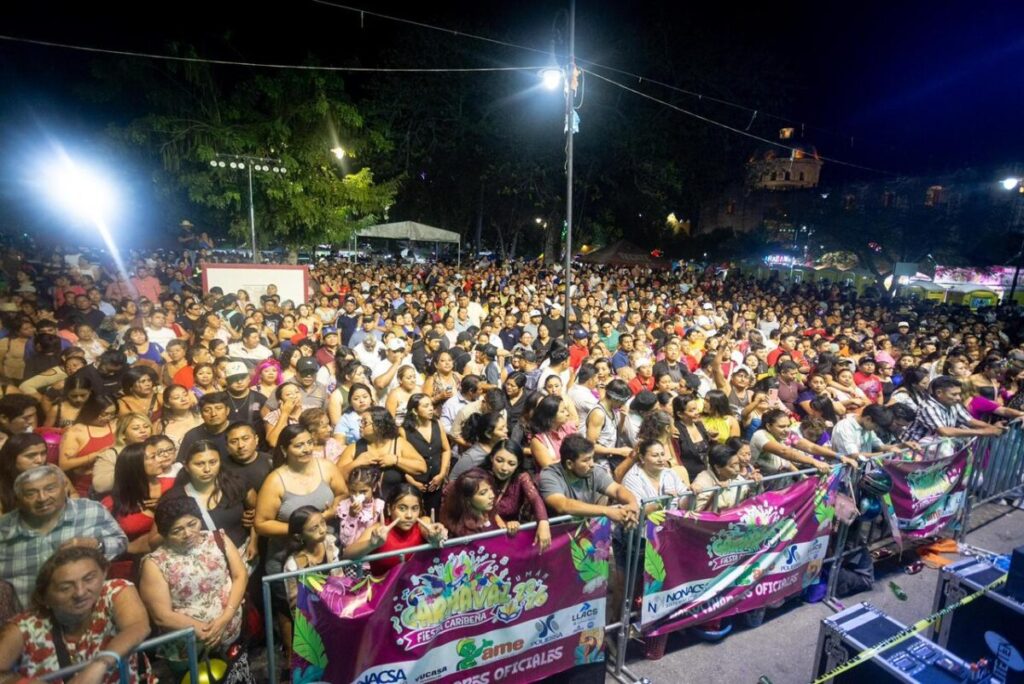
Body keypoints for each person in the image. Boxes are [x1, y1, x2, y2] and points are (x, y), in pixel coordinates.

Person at [0, 545, 152, 684]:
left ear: (104, 573)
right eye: (65, 588)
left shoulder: (114, 591)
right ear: (44, 597)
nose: (80, 592)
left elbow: (137, 627)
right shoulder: (24, 627)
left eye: (89, 579)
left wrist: (99, 664)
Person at [254, 425, 347, 641]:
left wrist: (332, 509)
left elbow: (342, 494)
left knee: (330, 609)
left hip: (326, 554)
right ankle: (293, 663)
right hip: (287, 559)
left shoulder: (326, 467)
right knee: (294, 615)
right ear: (285, 450)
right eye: (298, 445)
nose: (306, 449)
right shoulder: (276, 480)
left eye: (308, 443)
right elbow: (261, 523)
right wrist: (302, 529)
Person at [138, 497, 249, 677]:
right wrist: (205, 631)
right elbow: (161, 615)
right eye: (177, 530)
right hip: (187, 645)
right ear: (165, 533)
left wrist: (226, 617)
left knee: (235, 675)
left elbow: (240, 575)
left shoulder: (217, 538)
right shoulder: (155, 563)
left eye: (192, 524)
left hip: (229, 630)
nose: (188, 533)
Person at [0, 464, 128, 606]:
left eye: (50, 489)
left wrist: (96, 544)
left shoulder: (91, 510)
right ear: (18, 499)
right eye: (31, 493)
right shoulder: (4, 528)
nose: (42, 498)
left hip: (89, 616)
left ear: (65, 487)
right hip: (27, 621)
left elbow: (121, 543)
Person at [168, 440, 257, 560]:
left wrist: (254, 542)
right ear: (186, 466)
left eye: (213, 462)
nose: (207, 469)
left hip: (243, 554)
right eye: (199, 464)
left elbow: (258, 513)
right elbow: (156, 539)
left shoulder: (236, 484)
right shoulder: (174, 498)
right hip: (201, 563)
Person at [101, 443, 173, 579]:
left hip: (172, 558)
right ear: (134, 465)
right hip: (130, 567)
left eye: (157, 455)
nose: (160, 460)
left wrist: (165, 509)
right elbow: (101, 541)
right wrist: (128, 547)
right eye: (152, 457)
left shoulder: (172, 486)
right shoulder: (114, 501)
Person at [345, 484, 448, 578]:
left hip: (416, 591)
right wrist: (371, 544)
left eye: (414, 508)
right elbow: (347, 554)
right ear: (389, 509)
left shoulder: (423, 523)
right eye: (402, 508)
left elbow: (430, 531)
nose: (409, 515)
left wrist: (436, 535)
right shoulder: (378, 530)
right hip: (383, 593)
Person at [337, 406, 427, 498]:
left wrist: (396, 460)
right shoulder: (354, 448)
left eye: (365, 422)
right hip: (362, 507)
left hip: (394, 505)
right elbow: (336, 476)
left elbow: (422, 467)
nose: (360, 425)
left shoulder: (399, 444)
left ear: (378, 425)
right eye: (360, 422)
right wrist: (357, 462)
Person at [476, 440, 551, 550]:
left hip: (507, 539)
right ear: (492, 458)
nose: (504, 468)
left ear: (518, 464)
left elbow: (535, 499)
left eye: (511, 464)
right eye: (499, 460)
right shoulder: (478, 476)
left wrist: (544, 523)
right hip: (480, 537)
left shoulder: (521, 477)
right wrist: (497, 519)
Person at [902, 376, 1007, 442]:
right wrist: (984, 432)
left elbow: (970, 421)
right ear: (939, 393)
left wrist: (992, 428)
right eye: (954, 394)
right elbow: (944, 431)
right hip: (911, 453)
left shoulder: (953, 404)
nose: (958, 398)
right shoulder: (928, 407)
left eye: (959, 394)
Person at [282, 505, 344, 608]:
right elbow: (295, 603)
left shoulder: (330, 544)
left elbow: (340, 579)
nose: (322, 530)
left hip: (337, 606)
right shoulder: (293, 565)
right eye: (314, 528)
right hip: (313, 615)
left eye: (323, 522)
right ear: (299, 536)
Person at [400, 393, 450, 517]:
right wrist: (412, 481)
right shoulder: (404, 431)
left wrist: (442, 474)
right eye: (426, 406)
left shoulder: (437, 424)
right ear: (414, 411)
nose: (431, 408)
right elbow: (401, 460)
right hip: (415, 483)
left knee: (435, 516)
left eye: (431, 405)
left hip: (436, 481)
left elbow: (446, 450)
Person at [58, 395, 118, 496]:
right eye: (104, 414)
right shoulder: (76, 431)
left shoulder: (116, 424)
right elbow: (64, 465)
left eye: (112, 414)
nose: (108, 418)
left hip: (116, 482)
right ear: (91, 411)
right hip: (87, 487)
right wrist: (96, 455)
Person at [92, 413, 154, 495]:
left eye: (146, 427)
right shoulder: (111, 454)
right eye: (136, 428)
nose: (143, 431)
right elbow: (100, 486)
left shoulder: (157, 449)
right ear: (123, 434)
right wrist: (132, 467)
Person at [620, 438, 689, 510]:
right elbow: (636, 512)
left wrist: (692, 496)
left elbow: (683, 504)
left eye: (662, 454)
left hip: (673, 520)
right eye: (655, 455)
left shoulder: (670, 474)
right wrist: (661, 502)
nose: (661, 459)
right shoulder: (632, 479)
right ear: (642, 458)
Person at [692, 443, 755, 512]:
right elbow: (700, 515)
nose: (737, 469)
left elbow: (748, 503)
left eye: (738, 463)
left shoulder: (737, 477)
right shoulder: (702, 481)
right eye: (732, 466)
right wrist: (716, 494)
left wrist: (754, 485)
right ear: (717, 468)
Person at [449, 411, 509, 480]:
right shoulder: (471, 457)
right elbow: (452, 480)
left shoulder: (501, 449)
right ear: (488, 434)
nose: (506, 430)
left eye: (505, 426)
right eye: (501, 429)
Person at [831, 405, 903, 458]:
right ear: (868, 419)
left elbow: (880, 446)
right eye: (876, 426)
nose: (876, 430)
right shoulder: (845, 427)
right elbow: (853, 455)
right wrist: (885, 453)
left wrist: (903, 445)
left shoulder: (866, 426)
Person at [176, 392, 232, 461]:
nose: (213, 414)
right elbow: (181, 464)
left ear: (227, 410)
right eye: (207, 410)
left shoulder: (240, 430)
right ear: (201, 414)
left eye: (218, 408)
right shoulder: (192, 436)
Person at [529, 394, 579, 470]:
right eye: (562, 411)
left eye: (566, 409)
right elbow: (549, 467)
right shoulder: (538, 441)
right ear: (550, 416)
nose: (567, 413)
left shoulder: (569, 428)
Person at [673, 395, 712, 482]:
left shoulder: (699, 425)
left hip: (705, 475)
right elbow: (675, 458)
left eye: (697, 408)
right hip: (687, 478)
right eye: (692, 410)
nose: (697, 412)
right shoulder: (675, 431)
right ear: (680, 414)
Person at [158, 384, 201, 453]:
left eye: (185, 395)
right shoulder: (160, 425)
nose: (183, 399)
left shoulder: (202, 417)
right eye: (176, 397)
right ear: (167, 404)